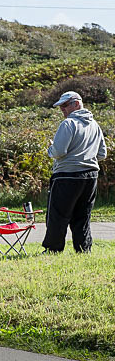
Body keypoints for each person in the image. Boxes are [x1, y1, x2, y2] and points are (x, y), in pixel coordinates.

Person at [42, 91, 107, 253]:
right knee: (82, 215)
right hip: (91, 176)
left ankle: (53, 249)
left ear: (76, 104)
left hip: (67, 175)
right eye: (60, 107)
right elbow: (102, 154)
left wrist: (50, 148)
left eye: (65, 105)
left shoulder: (68, 124)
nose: (62, 109)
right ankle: (83, 249)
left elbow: (58, 152)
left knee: (58, 215)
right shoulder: (95, 125)